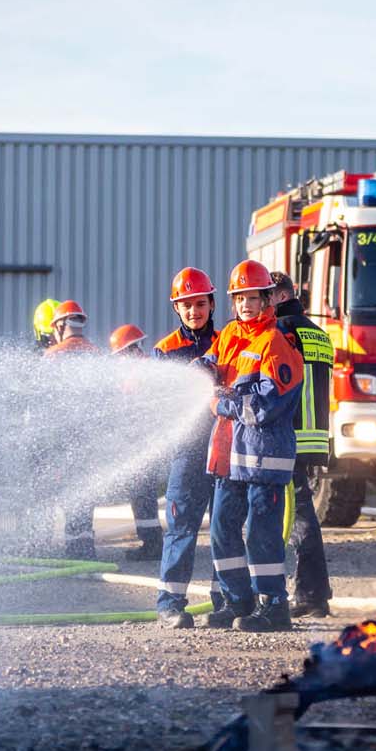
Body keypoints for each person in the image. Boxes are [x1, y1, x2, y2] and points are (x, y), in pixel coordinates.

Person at [199, 259, 305, 633]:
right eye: (239, 297)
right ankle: (238, 601)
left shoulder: (277, 342)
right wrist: (202, 373)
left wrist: (222, 402)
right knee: (223, 530)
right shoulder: (229, 335)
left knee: (261, 533)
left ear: (267, 300)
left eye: (252, 297)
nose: (245, 304)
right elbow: (211, 365)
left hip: (263, 456)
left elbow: (266, 405)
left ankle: (274, 605)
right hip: (228, 455)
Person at [153, 267, 218, 628]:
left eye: (199, 303)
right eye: (186, 305)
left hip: (225, 447)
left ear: (211, 303)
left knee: (226, 529)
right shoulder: (165, 351)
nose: (194, 311)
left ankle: (226, 602)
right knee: (181, 527)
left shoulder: (228, 341)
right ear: (176, 309)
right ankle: (171, 604)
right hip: (188, 450)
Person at [268, 271, 334, 618]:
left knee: (297, 518)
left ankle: (310, 593)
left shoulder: (282, 331)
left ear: (280, 296)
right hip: (314, 438)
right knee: (299, 513)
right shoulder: (318, 333)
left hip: (287, 435)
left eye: (266, 296)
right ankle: (313, 591)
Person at [44, 300, 102, 558]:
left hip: (63, 436)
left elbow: (42, 397)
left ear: (59, 326)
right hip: (89, 436)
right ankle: (86, 547)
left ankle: (73, 548)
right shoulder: (96, 353)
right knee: (86, 492)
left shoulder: (52, 356)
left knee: (69, 491)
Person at [110, 323, 164, 561]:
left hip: (143, 445)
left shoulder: (136, 375)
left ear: (128, 351)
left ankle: (152, 544)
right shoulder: (148, 368)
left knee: (142, 495)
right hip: (147, 443)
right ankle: (151, 542)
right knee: (144, 495)